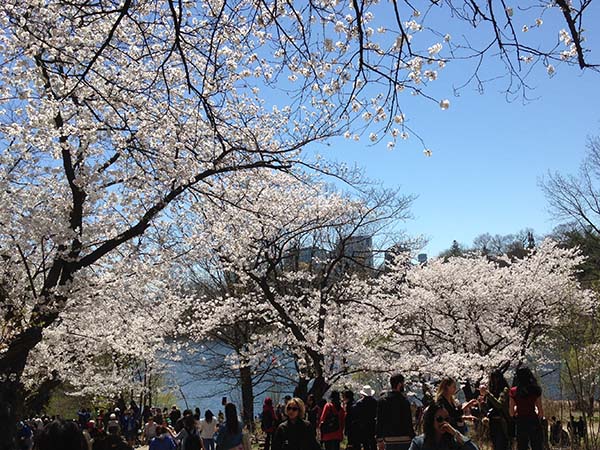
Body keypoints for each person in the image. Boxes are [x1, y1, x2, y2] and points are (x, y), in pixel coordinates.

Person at [408, 402, 479, 450]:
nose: (444, 422)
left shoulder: (453, 441)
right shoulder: (419, 443)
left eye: (447, 419)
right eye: (439, 419)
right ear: (431, 420)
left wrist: (455, 433)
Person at [376, 373, 415, 450]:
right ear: (400, 384)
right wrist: (413, 437)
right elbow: (408, 421)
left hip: (389, 439)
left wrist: (379, 439)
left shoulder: (382, 400)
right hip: (404, 439)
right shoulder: (404, 401)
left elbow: (379, 421)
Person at [509, 367, 544, 450]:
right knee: (537, 445)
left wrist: (516, 411)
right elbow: (540, 411)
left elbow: (511, 412)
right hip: (533, 420)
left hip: (521, 422)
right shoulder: (536, 390)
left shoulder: (513, 391)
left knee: (522, 446)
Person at [479, 370, 511, 450]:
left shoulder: (505, 390)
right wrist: (482, 404)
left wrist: (488, 394)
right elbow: (488, 409)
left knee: (502, 445)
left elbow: (499, 405)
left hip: (502, 423)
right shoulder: (491, 391)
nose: (494, 381)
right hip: (492, 423)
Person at [353, 385, 378, 450]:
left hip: (362, 426)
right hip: (372, 425)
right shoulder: (375, 402)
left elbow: (356, 415)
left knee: (365, 444)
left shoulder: (359, 403)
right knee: (373, 443)